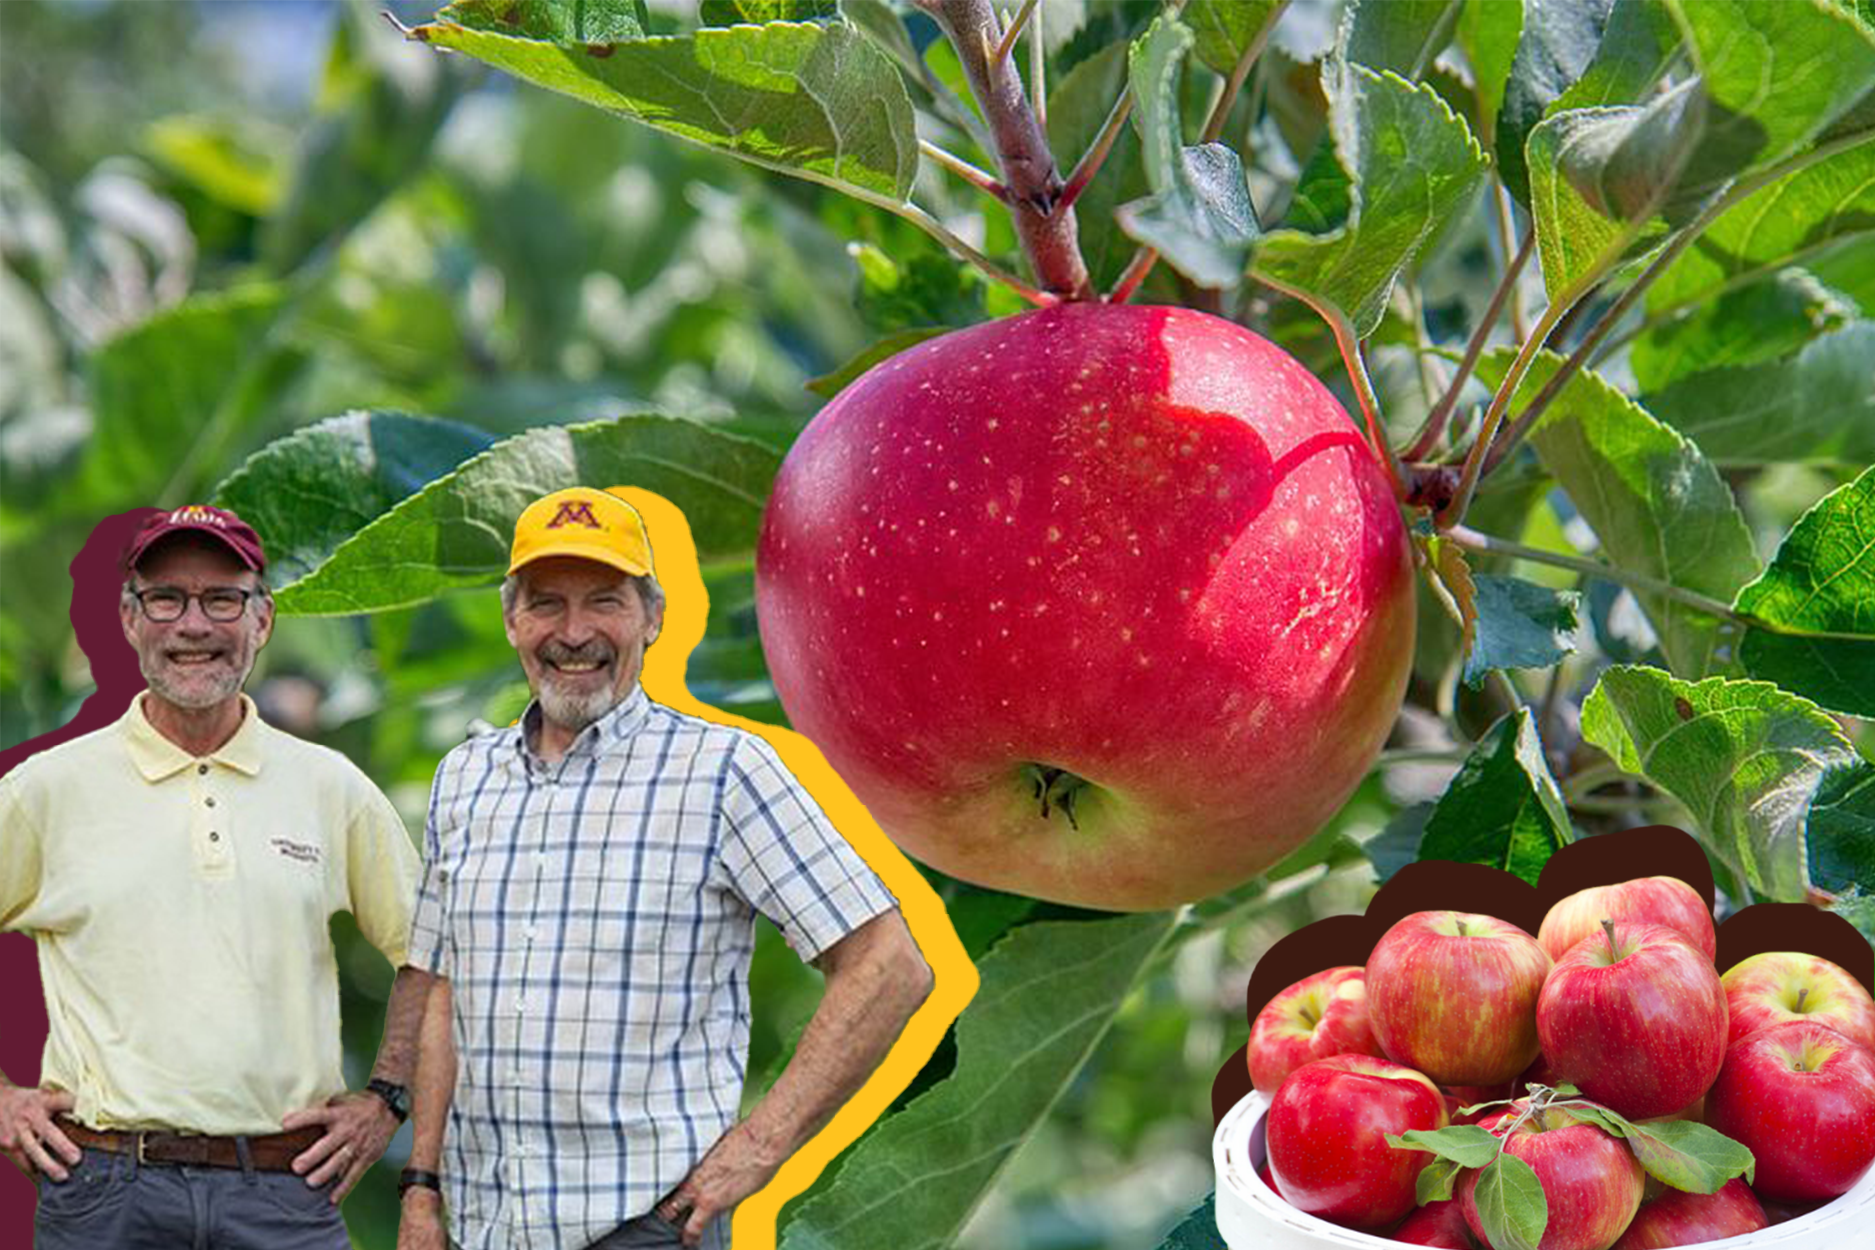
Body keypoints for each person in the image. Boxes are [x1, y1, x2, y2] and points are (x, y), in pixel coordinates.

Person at [396, 487, 934, 1250]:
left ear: (652, 617)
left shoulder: (723, 772)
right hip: (485, 1226)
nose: (574, 632)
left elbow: (888, 964)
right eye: (546, 603)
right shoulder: (465, 778)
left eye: (606, 601)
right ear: (512, 620)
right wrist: (422, 1189)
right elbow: (447, 993)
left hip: (644, 1228)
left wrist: (758, 1148)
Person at [0, 504, 429, 1249]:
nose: (192, 625)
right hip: (105, 1188)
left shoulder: (331, 787)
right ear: (131, 620)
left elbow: (431, 950)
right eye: (166, 598)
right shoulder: (46, 789)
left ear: (261, 620)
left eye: (222, 599)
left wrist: (387, 1099)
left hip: (284, 1188)